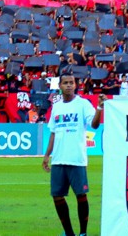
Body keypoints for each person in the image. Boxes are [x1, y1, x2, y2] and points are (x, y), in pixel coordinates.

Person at [42, 68, 104, 236]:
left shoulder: (83, 104)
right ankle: (69, 233)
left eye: (71, 83)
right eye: (65, 83)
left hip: (76, 159)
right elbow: (53, 132)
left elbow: (95, 125)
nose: (69, 85)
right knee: (57, 197)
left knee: (81, 195)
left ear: (76, 85)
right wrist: (47, 155)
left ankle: (83, 233)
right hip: (58, 160)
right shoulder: (56, 107)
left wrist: (99, 107)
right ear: (60, 86)